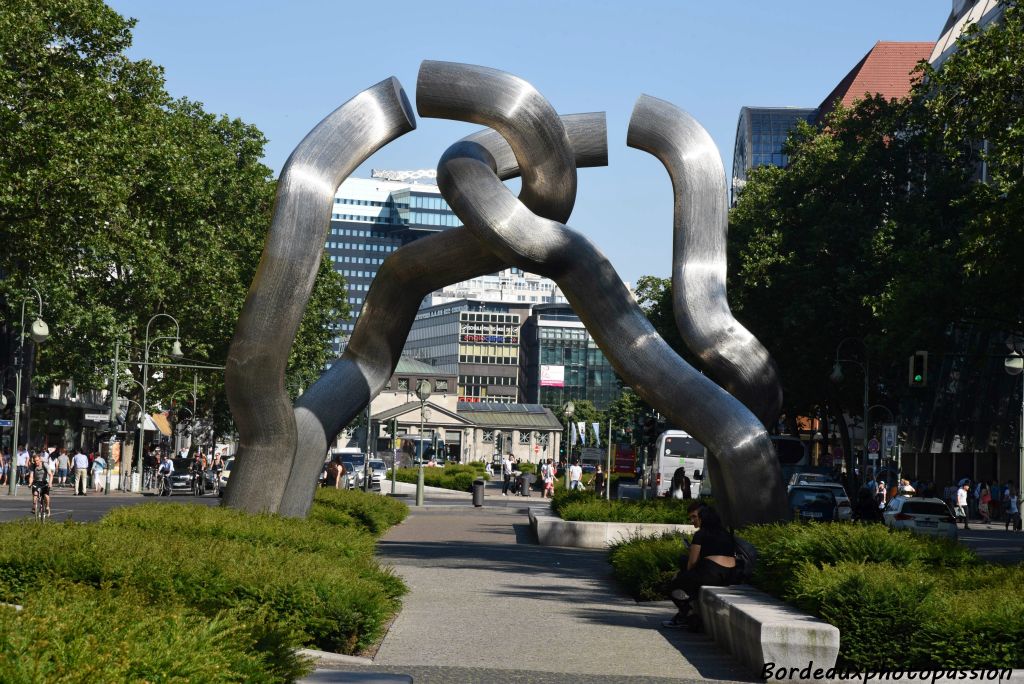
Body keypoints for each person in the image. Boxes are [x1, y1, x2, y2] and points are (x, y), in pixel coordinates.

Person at [662, 504, 736, 630]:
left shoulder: (700, 535)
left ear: (704, 517)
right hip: (730, 574)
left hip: (711, 572)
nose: (692, 521)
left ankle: (688, 617)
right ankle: (684, 616)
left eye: (694, 517)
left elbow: (692, 563)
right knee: (687, 581)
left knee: (672, 586)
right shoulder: (725, 533)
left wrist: (681, 576)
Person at [28, 453, 52, 517]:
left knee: (46, 496)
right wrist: (30, 483)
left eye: (37, 460)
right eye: (35, 461)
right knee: (35, 494)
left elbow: (50, 474)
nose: (36, 462)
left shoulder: (45, 465)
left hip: (44, 482)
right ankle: (34, 506)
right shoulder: (32, 466)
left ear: (40, 459)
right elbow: (31, 476)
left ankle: (47, 507)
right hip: (36, 482)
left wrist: (50, 483)